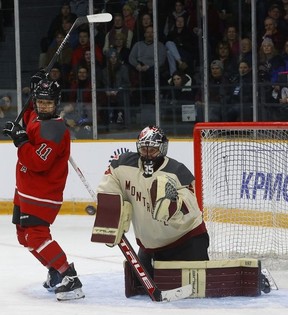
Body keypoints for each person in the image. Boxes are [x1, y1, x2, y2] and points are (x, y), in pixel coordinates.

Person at [96, 125, 209, 297]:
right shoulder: (122, 165)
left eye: (153, 150)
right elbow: (109, 186)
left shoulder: (178, 172)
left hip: (186, 242)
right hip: (150, 247)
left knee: (199, 290)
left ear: (162, 149)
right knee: (138, 290)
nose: (148, 153)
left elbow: (191, 210)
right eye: (144, 149)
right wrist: (110, 219)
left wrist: (172, 208)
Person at [1, 76, 85, 301]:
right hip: (25, 190)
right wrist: (36, 86)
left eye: (48, 103)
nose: (43, 106)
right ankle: (56, 271)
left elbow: (38, 162)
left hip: (42, 194)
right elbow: (29, 114)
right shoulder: (37, 116)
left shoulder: (55, 130)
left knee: (36, 236)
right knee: (24, 236)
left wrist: (21, 141)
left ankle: (69, 276)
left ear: (56, 103)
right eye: (40, 102)